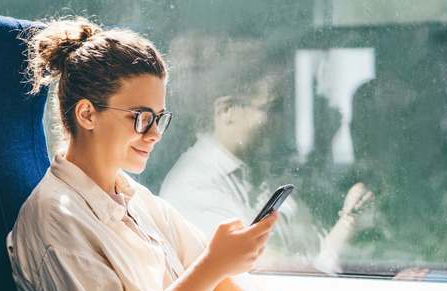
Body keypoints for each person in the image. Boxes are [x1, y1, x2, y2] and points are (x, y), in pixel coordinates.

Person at [7, 17, 434, 291]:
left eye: (160, 117)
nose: (154, 134)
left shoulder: (131, 196)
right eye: (141, 117)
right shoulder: (55, 217)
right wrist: (212, 265)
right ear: (87, 114)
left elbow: (219, 273)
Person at [159, 37, 375, 275]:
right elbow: (284, 274)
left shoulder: (257, 174)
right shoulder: (193, 189)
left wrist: (350, 219)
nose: (282, 121)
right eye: (273, 108)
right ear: (227, 110)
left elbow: (315, 260)